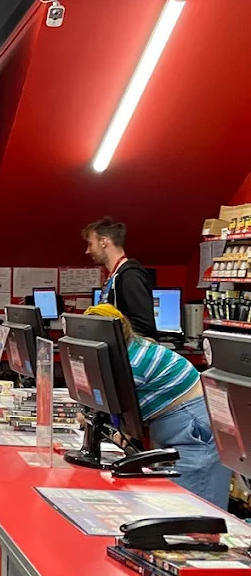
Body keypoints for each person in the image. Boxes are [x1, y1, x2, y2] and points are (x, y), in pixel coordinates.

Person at [85, 304, 229, 507]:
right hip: (183, 426)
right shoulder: (130, 348)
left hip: (196, 429)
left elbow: (109, 400)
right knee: (177, 505)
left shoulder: (132, 363)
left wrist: (88, 414)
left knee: (196, 509)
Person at [84, 217, 157, 339]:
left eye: (90, 244)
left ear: (103, 242)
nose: (87, 251)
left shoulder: (130, 276)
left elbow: (144, 327)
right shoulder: (115, 276)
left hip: (131, 350)